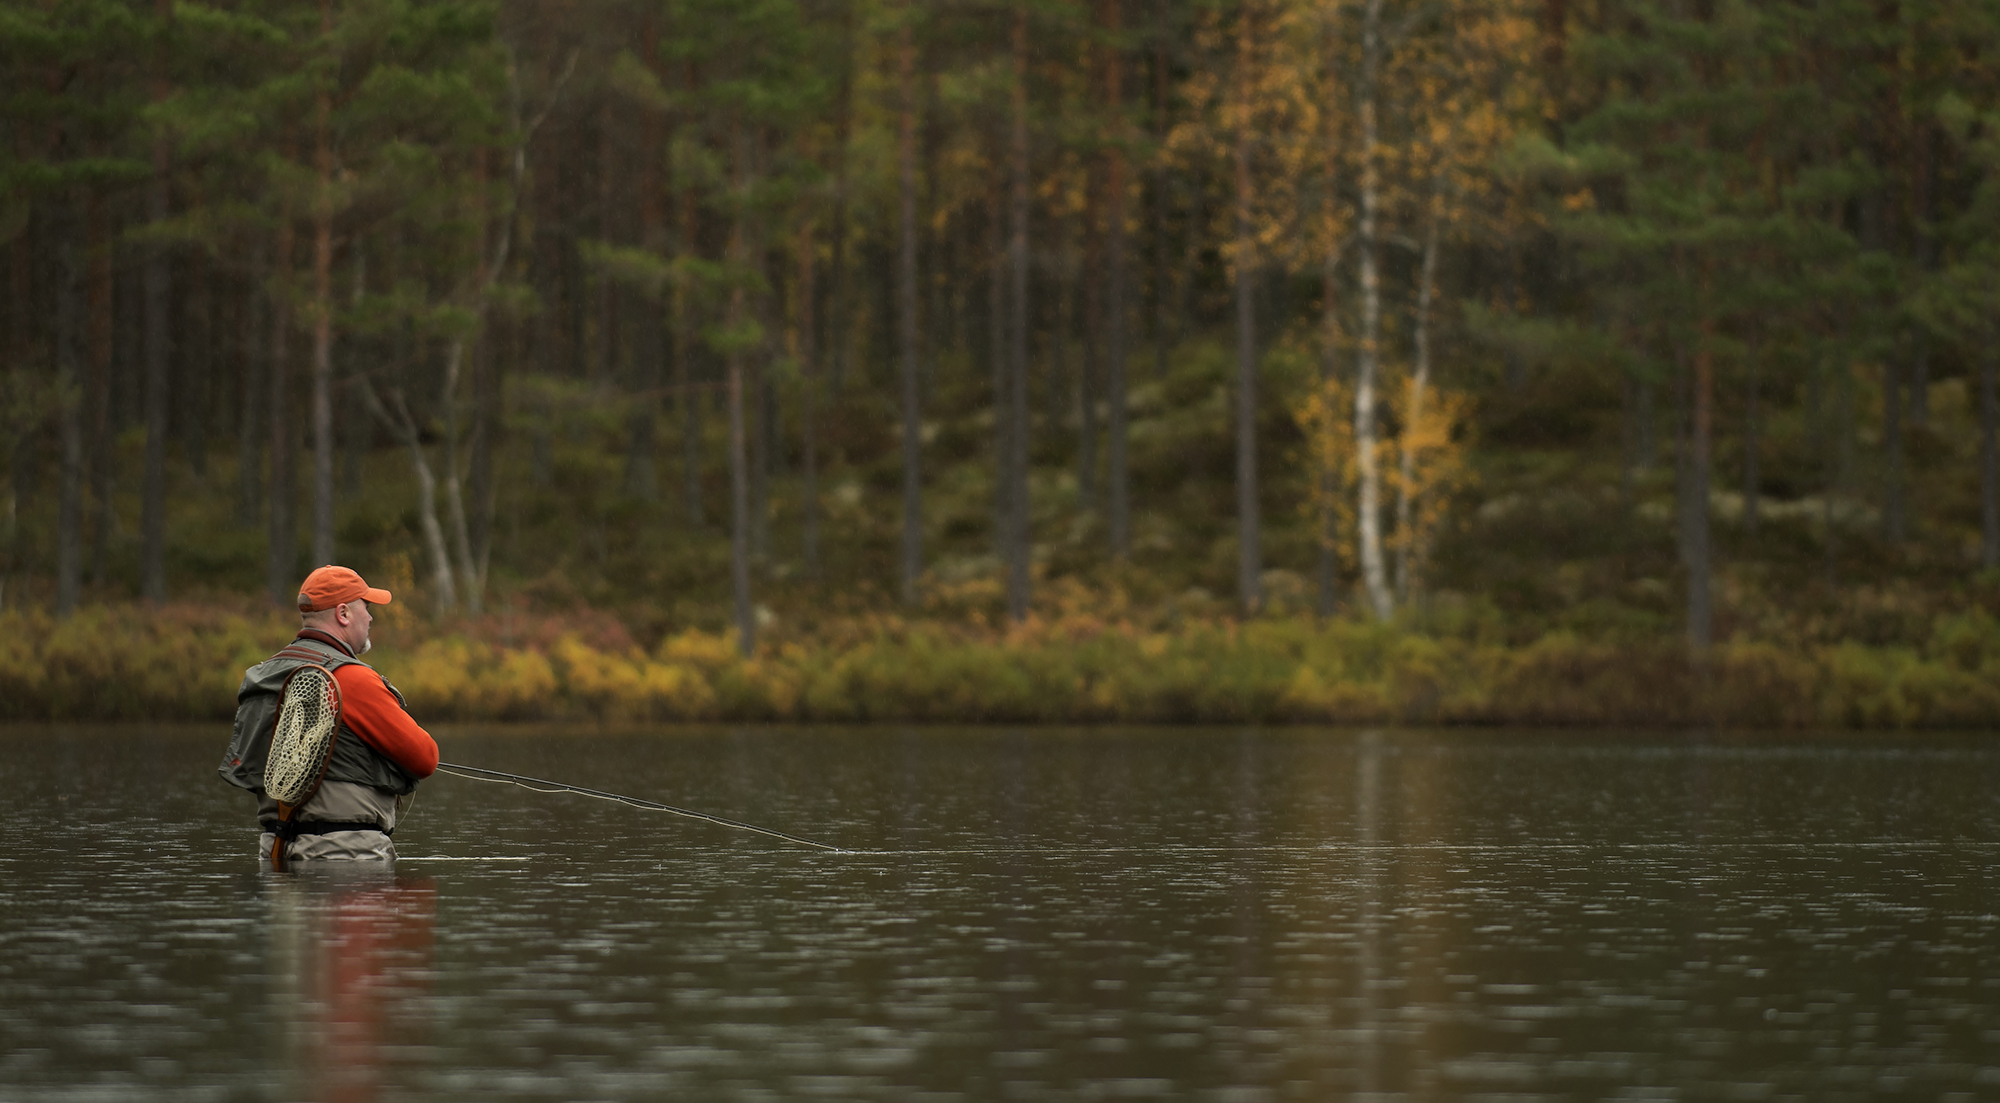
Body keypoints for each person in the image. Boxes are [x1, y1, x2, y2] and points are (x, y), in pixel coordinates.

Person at [219, 565, 439, 863]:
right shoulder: (352, 679)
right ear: (344, 613)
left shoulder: (262, 675)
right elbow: (426, 757)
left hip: (275, 851)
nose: (371, 617)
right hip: (346, 856)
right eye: (367, 606)